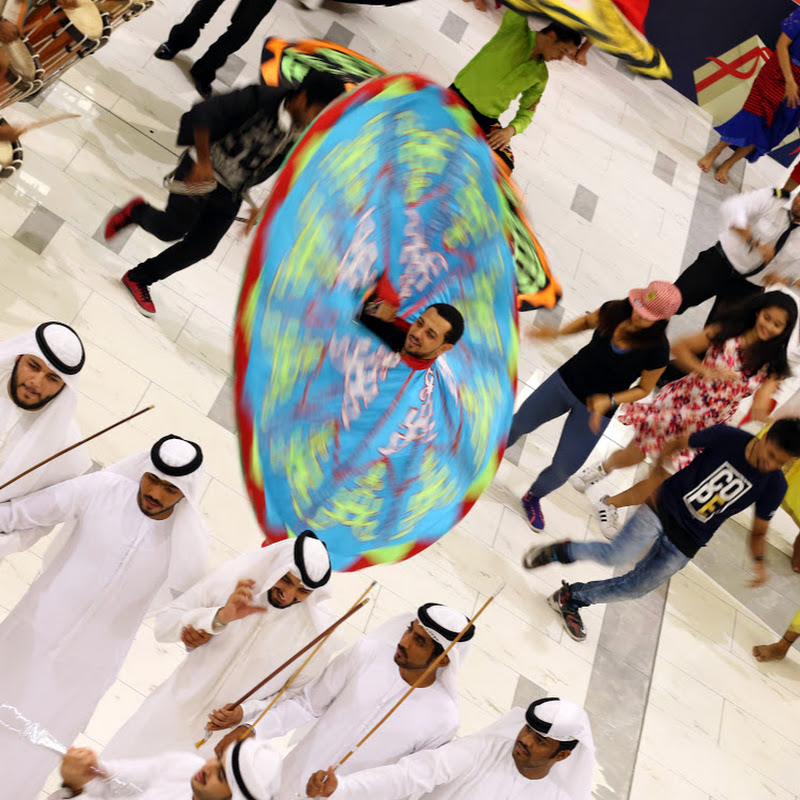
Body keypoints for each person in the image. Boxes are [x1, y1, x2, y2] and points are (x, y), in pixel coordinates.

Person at [0, 434, 209, 798]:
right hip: (30, 633)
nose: (156, 494)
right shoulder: (101, 489)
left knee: (33, 749)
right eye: (153, 479)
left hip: (85, 670)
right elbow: (22, 513)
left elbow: (185, 618)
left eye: (170, 489)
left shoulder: (187, 542)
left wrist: (206, 629)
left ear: (185, 494)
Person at [523, 419, 800, 642]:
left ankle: (571, 598)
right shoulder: (728, 437)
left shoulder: (775, 485)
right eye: (771, 455)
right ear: (765, 438)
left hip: (690, 538)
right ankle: (563, 550)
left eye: (780, 462)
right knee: (615, 555)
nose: (771, 465)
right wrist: (656, 471)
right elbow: (678, 442)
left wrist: (760, 564)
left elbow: (759, 531)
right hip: (664, 505)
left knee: (636, 588)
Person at [105, 72, 346, 317]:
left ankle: (139, 278)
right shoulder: (258, 99)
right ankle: (137, 211)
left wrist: (263, 205)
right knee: (172, 229)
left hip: (232, 190)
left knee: (201, 246)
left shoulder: (302, 132)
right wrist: (203, 162)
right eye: (317, 112)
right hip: (200, 170)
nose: (317, 121)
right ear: (303, 98)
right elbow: (202, 114)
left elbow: (290, 167)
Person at [578, 292, 796, 535]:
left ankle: (609, 504)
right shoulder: (725, 332)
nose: (769, 326)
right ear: (758, 312)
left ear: (785, 331)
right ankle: (603, 467)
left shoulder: (772, 365)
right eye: (767, 317)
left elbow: (761, 402)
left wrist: (765, 414)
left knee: (661, 479)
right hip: (679, 406)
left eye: (778, 325)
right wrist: (706, 371)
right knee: (634, 455)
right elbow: (681, 349)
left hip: (706, 428)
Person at [103, 531, 336, 759]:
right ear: (276, 566)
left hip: (217, 744)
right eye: (285, 579)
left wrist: (247, 713)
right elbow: (165, 625)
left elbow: (296, 697)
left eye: (302, 591)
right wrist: (216, 618)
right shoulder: (232, 584)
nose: (288, 594)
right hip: (167, 713)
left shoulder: (315, 636)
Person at [209, 603, 474, 800]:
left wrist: (341, 792)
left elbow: (404, 781)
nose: (404, 641)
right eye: (409, 630)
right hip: (287, 783)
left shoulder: (444, 719)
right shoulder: (367, 653)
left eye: (419, 641)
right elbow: (308, 704)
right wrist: (254, 728)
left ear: (444, 659)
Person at [508, 281, 679, 532]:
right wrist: (556, 333)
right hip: (566, 382)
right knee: (518, 423)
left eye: (646, 316)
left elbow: (643, 389)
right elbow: (588, 322)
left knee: (564, 467)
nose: (637, 315)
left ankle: (533, 497)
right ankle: (481, 461)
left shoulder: (658, 350)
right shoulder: (616, 310)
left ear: (661, 321)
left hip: (597, 409)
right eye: (638, 308)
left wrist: (609, 400)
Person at [306, 696, 594, 800]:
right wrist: (342, 789)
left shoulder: (557, 795)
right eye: (527, 729)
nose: (525, 740)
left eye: (540, 740)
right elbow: (411, 775)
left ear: (563, 755)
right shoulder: (482, 750)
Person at [450, 10, 581, 171]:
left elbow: (527, 112)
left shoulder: (540, 76)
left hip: (485, 118)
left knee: (504, 165)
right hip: (455, 98)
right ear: (552, 36)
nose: (560, 59)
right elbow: (518, 5)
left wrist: (510, 130)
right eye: (563, 51)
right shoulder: (515, 29)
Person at [698, 7, 800, 184]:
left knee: (770, 129)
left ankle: (728, 165)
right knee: (752, 117)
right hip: (779, 71)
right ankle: (715, 151)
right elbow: (782, 44)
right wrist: (790, 81)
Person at [0, 322, 89, 521]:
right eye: (33, 366)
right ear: (18, 356)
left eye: (53, 378)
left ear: (64, 387)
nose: (36, 382)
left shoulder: (69, 451)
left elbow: (34, 525)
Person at [671, 188, 800, 325]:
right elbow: (732, 206)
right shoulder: (774, 197)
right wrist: (753, 241)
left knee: (717, 337)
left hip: (748, 287)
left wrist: (787, 280)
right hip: (720, 263)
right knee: (668, 302)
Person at [54, 737, 280, 799]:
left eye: (220, 776)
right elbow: (110, 781)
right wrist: (78, 775)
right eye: (217, 760)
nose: (208, 768)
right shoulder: (184, 766)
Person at [358, 272, 465, 367]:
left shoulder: (407, 380)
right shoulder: (405, 331)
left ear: (443, 349)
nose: (417, 333)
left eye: (430, 335)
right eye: (419, 323)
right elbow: (365, 310)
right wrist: (375, 308)